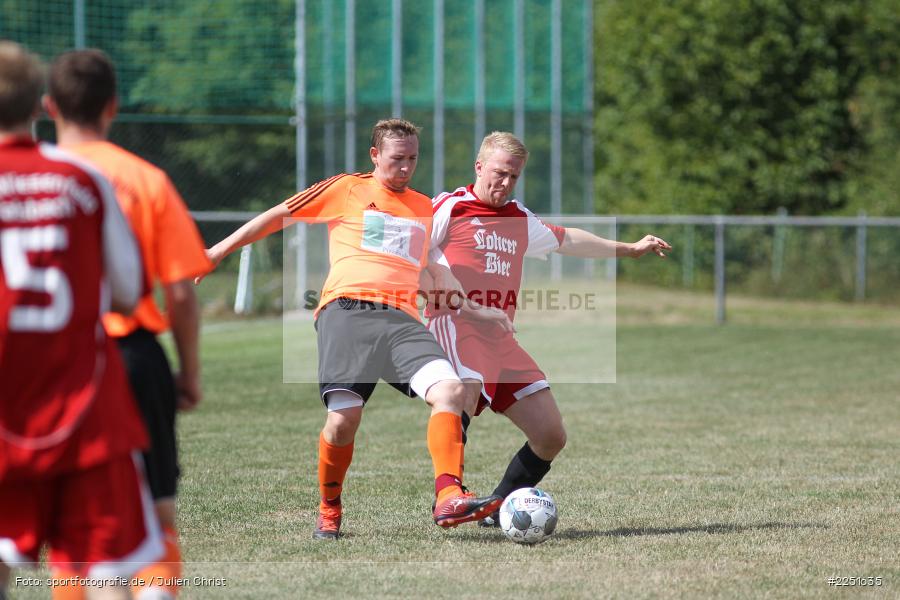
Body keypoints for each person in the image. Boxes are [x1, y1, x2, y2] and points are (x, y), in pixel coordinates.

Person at [198, 118, 503, 540]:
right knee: (343, 421)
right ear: (375, 155)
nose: (406, 167)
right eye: (397, 158)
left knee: (450, 391)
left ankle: (448, 495)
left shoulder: (422, 206)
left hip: (402, 319)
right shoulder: (347, 188)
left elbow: (421, 270)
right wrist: (218, 250)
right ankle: (329, 506)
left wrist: (474, 310)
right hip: (347, 309)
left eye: (413, 159)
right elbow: (279, 215)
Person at [424, 131, 671, 525]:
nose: (506, 183)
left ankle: (494, 509)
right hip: (456, 323)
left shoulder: (519, 218)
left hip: (501, 337)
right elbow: (411, 252)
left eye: (514, 176)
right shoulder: (449, 207)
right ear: (479, 167)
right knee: (464, 392)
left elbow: (568, 239)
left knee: (551, 435)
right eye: (500, 173)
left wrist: (629, 249)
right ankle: (449, 496)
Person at [43, 48, 211, 599]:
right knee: (156, 502)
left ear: (49, 106)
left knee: (71, 512)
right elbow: (180, 292)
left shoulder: (28, 181)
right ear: (113, 106)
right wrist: (188, 373)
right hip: (134, 356)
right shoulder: (145, 179)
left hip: (57, 361)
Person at [0, 41, 161, 600]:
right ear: (38, 106)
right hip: (83, 407)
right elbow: (127, 293)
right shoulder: (81, 178)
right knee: (105, 571)